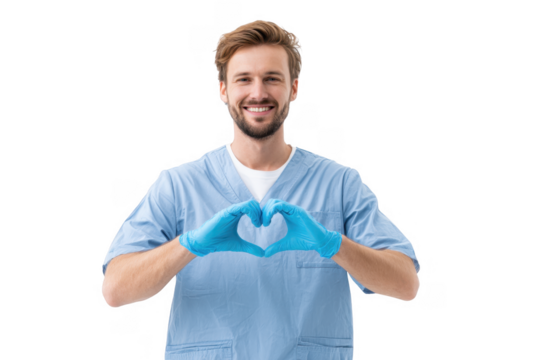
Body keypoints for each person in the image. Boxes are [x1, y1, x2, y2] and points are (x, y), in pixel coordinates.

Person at [101, 19, 420, 359]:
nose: (258, 93)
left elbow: (406, 285)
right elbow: (116, 291)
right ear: (222, 89)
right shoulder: (179, 186)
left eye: (272, 78)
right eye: (243, 79)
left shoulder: (340, 184)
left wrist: (332, 244)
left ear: (294, 88)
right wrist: (188, 245)